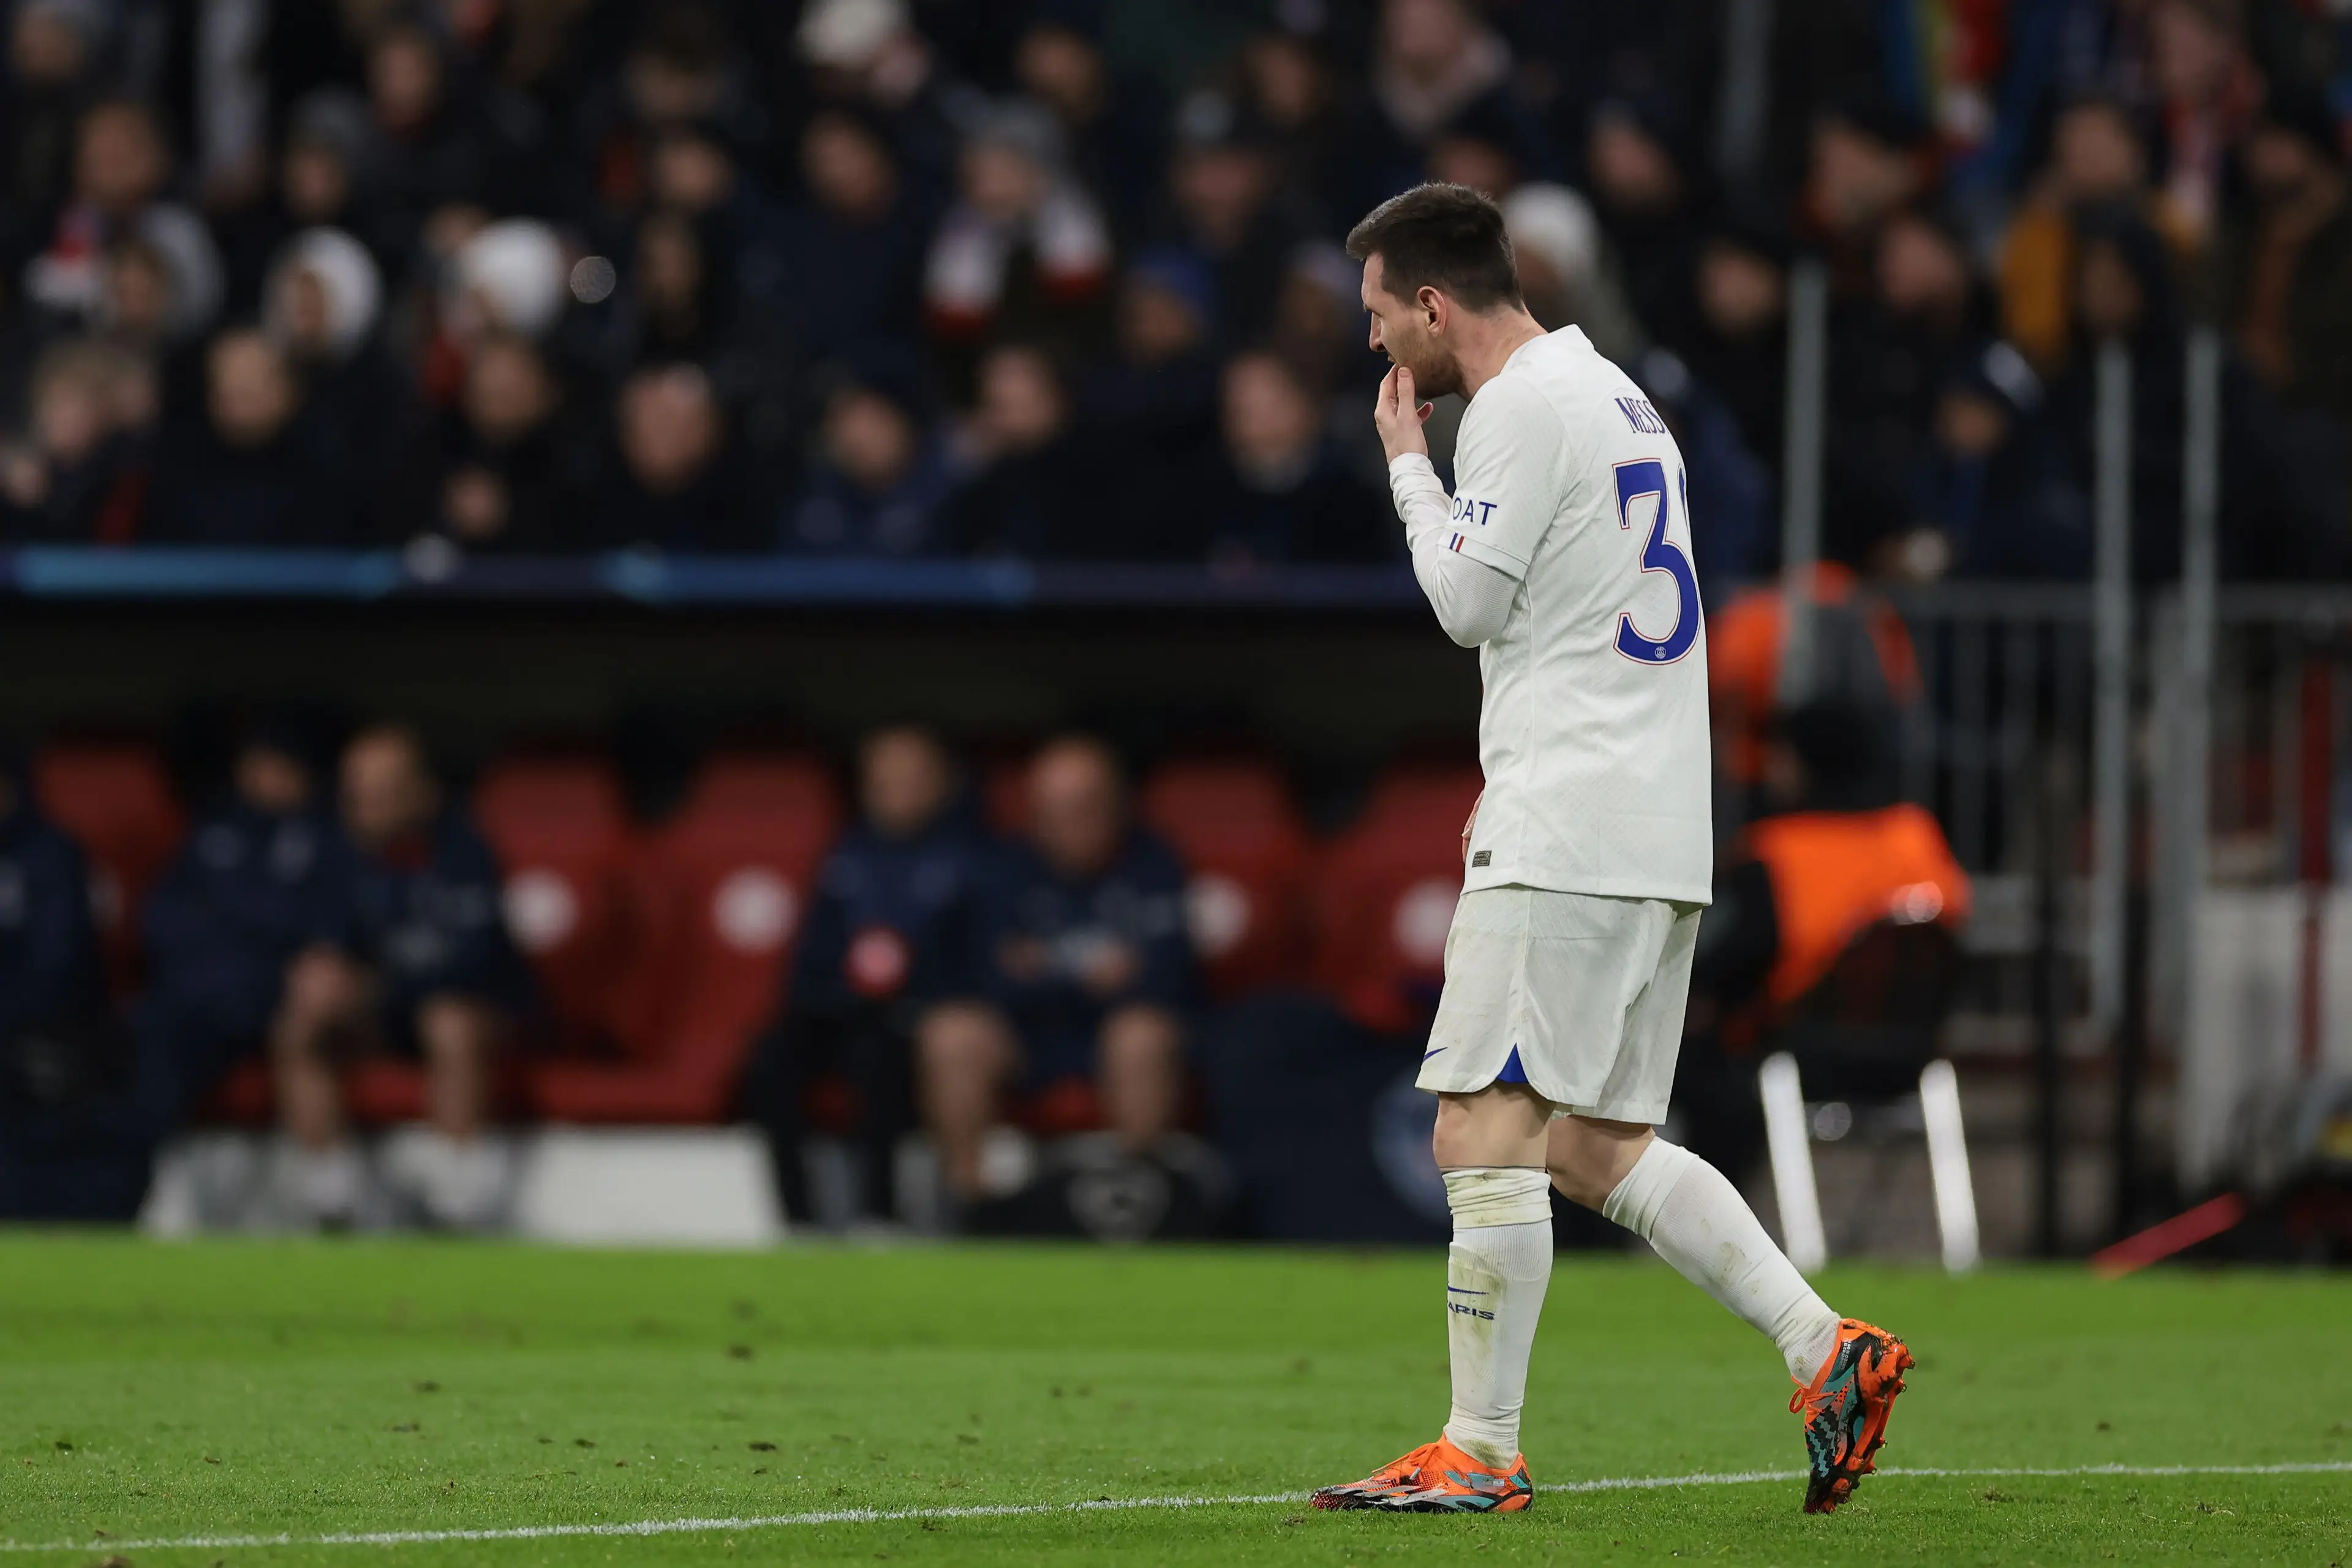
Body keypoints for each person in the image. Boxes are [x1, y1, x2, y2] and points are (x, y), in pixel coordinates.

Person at [1312, 184, 1912, 1518]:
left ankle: (1480, 1443)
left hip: (1567, 819)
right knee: (1592, 1143)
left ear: (1431, 302)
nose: (1372, 350)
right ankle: (1828, 1350)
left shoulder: (1518, 405)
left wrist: (1410, 465)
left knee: (1483, 1124)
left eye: (1376, 318)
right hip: (1657, 828)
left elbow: (1468, 604)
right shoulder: (1619, 394)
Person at [914, 736, 1191, 1212]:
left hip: (1112, 1036)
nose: (1068, 825)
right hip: (1026, 1038)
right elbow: (989, 979)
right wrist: (1088, 975)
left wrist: (1044, 967)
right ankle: (968, 1208)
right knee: (951, 1034)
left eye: (1084, 808)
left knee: (1140, 1035)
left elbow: (1168, 979)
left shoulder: (1154, 864)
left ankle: (1133, 1206)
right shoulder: (1003, 869)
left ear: (1116, 805)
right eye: (1053, 810)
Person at [270, 724, 528, 1229]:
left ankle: (459, 1189)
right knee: (304, 1015)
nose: (366, 806)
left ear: (423, 793)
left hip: (472, 1012)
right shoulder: (336, 856)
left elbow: (471, 965)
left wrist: (379, 986)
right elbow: (323, 945)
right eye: (357, 792)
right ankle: (329, 1189)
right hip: (382, 1013)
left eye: (383, 792)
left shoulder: (465, 853)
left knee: (448, 1021)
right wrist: (328, 978)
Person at [747, 725, 986, 1226]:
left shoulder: (976, 858)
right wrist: (837, 993)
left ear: (943, 783)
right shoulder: (846, 855)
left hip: (915, 1016)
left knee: (878, 1059)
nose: (894, 791)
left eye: (909, 778)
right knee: (772, 1057)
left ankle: (881, 1214)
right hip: (840, 1009)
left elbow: (980, 964)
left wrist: (914, 995)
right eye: (882, 780)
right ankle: (799, 1220)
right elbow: (811, 959)